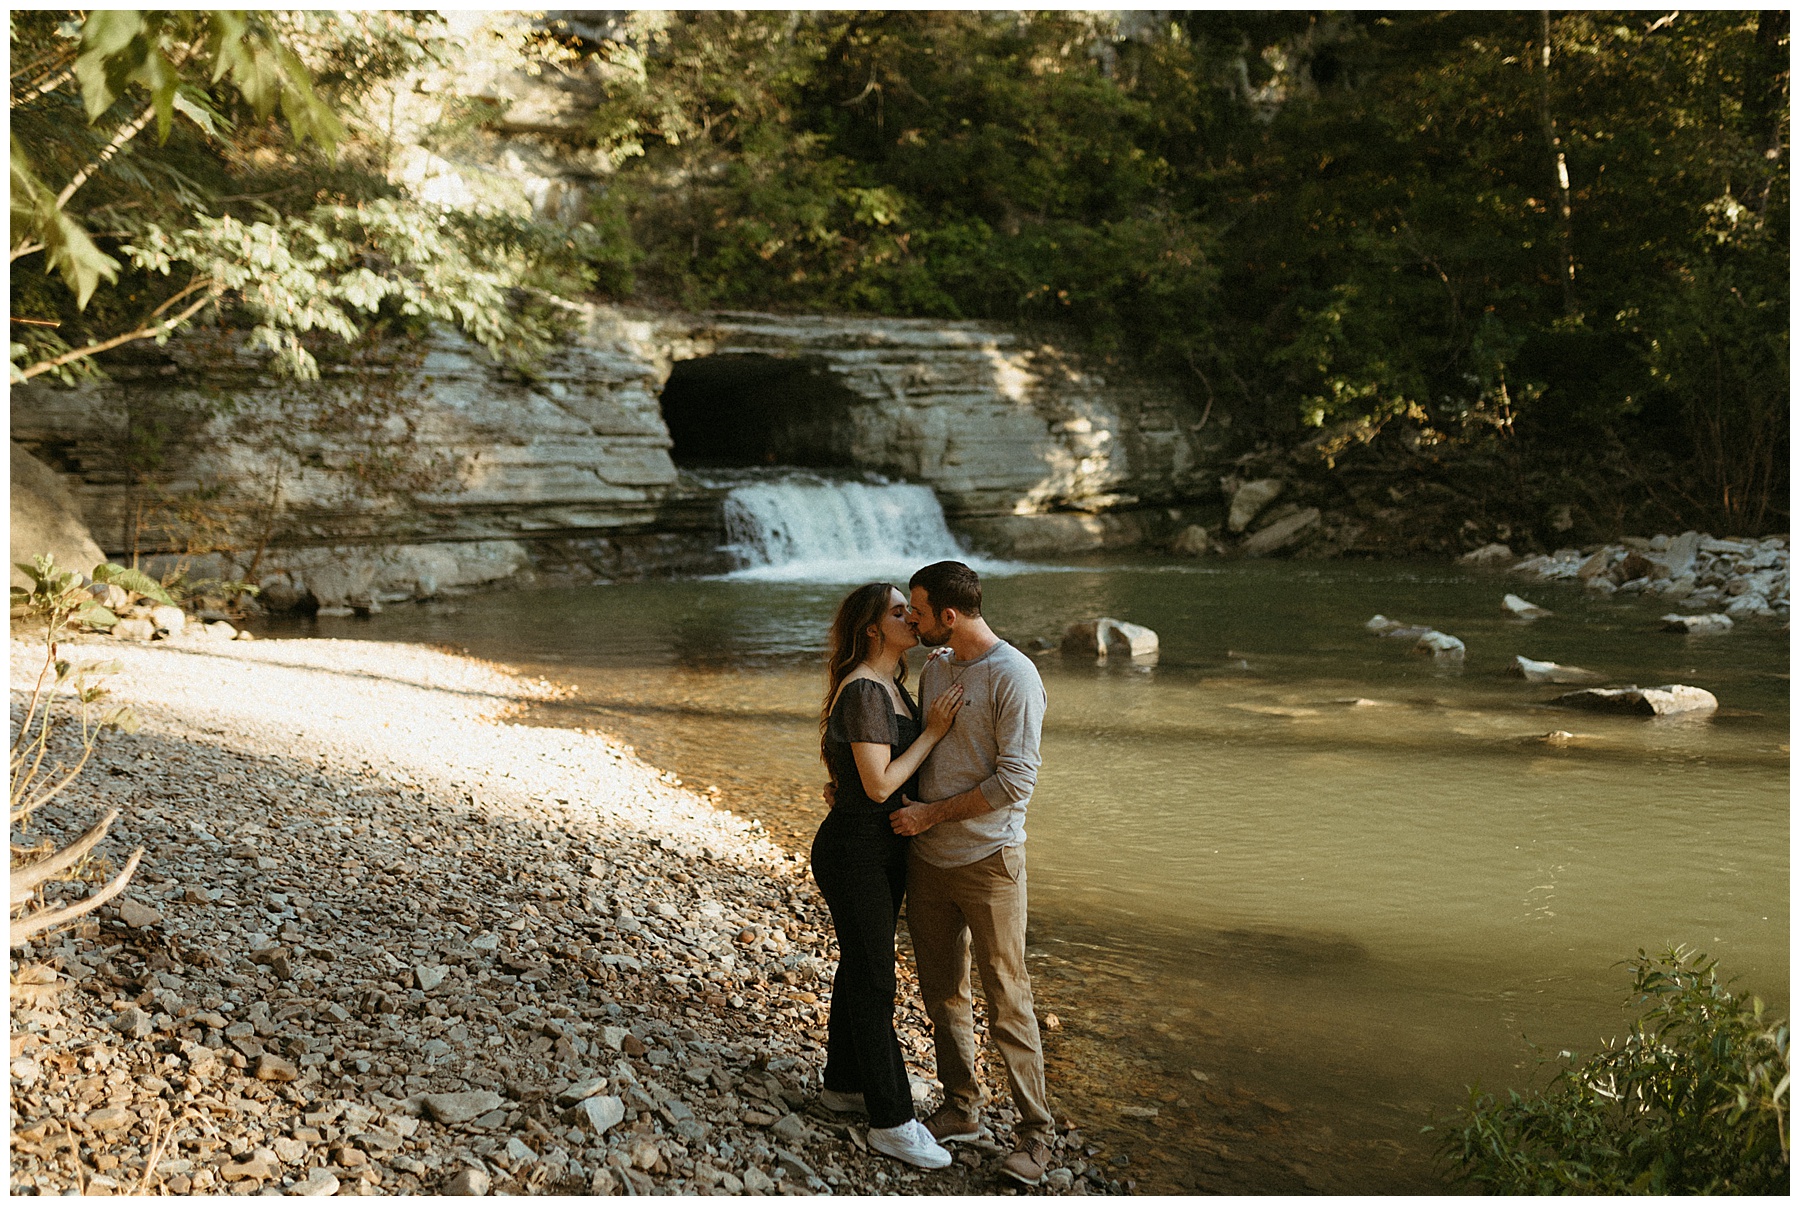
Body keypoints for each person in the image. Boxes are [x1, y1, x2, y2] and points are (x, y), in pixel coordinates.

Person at [889, 560, 1056, 1187]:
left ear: (949, 617)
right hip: (928, 862)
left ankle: (1036, 1136)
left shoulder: (1015, 675)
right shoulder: (935, 667)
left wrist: (931, 814)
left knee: (1008, 998)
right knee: (943, 992)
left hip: (989, 862)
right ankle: (962, 1107)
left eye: (920, 611)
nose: (911, 619)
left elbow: (1017, 781)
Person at [811, 582, 967, 1170]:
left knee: (859, 965)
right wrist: (934, 732)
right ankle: (892, 1120)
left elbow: (859, 774)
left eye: (913, 609)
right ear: (874, 628)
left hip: (878, 847)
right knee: (876, 979)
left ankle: (844, 1083)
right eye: (899, 611)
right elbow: (877, 785)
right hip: (855, 851)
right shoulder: (866, 689)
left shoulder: (892, 687)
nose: (912, 617)